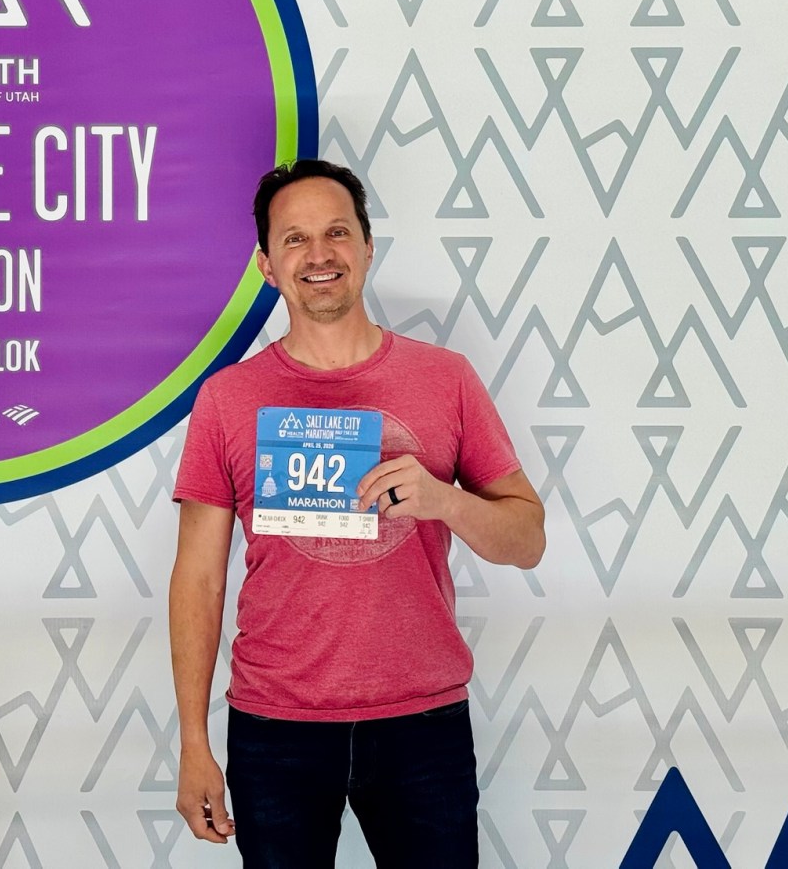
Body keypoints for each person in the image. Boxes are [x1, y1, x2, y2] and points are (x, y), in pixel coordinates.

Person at [168, 159, 546, 868]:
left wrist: (444, 498)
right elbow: (198, 578)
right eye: (295, 240)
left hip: (422, 724)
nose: (319, 255)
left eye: (338, 233)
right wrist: (194, 741)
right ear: (266, 266)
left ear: (368, 248)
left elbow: (527, 540)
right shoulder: (227, 399)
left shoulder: (447, 379)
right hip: (274, 728)